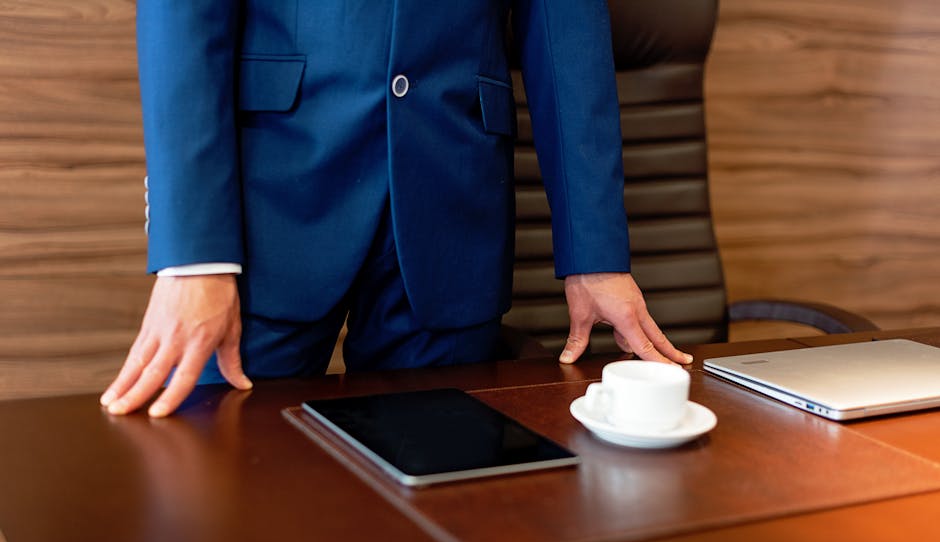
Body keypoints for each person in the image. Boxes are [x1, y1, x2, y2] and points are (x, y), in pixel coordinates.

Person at [101, 1, 692, 418]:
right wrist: (195, 253)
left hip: (454, 199)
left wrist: (595, 252)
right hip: (264, 215)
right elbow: (181, 13)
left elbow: (565, 24)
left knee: (436, 515)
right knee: (219, 504)